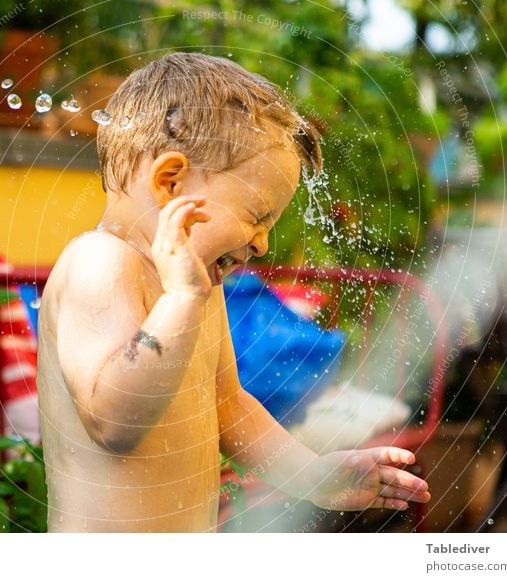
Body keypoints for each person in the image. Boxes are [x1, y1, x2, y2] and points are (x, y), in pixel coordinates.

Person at [36, 52, 430, 532]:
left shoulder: (196, 286)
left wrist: (314, 477)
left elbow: (228, 403)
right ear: (170, 182)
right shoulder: (100, 262)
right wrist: (181, 301)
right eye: (256, 215)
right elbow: (114, 422)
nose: (262, 242)